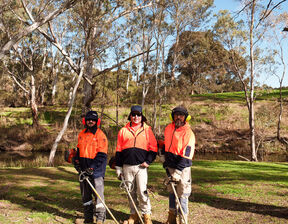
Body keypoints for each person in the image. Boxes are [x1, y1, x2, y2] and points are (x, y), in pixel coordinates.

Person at [115, 105, 158, 224]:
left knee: (142, 192)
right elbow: (118, 150)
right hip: (126, 166)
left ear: (141, 116)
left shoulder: (148, 130)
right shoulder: (123, 130)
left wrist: (148, 161)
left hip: (141, 167)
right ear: (130, 116)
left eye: (138, 115)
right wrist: (118, 168)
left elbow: (153, 149)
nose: (135, 117)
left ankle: (146, 215)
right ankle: (133, 215)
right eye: (133, 115)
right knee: (130, 192)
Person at [74, 111, 108, 224]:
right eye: (88, 119)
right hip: (83, 171)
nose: (90, 121)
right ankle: (88, 218)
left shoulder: (100, 135)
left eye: (93, 120)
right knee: (85, 196)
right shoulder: (81, 134)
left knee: (98, 195)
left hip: (96, 171)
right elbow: (79, 150)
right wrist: (76, 160)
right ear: (85, 121)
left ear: (97, 121)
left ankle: (100, 219)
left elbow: (102, 155)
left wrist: (92, 168)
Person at [163, 106, 196, 224]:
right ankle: (172, 217)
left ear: (185, 118)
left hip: (183, 168)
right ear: (173, 116)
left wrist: (178, 171)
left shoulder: (188, 133)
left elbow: (187, 154)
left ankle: (183, 220)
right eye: (176, 115)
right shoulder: (168, 128)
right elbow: (166, 144)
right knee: (172, 191)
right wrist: (164, 156)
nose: (178, 117)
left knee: (182, 194)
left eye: (181, 115)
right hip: (170, 166)